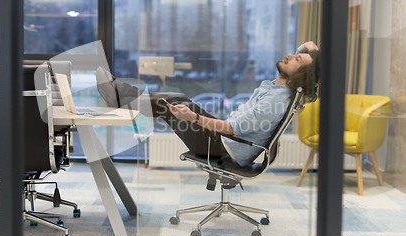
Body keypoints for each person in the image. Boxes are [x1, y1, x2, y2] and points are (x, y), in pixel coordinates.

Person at [96, 43, 320, 167]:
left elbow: (233, 129)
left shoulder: (275, 99)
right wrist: (310, 52)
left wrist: (193, 118)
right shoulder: (278, 89)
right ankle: (121, 97)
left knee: (174, 103)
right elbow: (307, 48)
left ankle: (120, 97)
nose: (291, 54)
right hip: (226, 142)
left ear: (299, 75)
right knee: (176, 99)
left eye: (298, 59)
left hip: (223, 147)